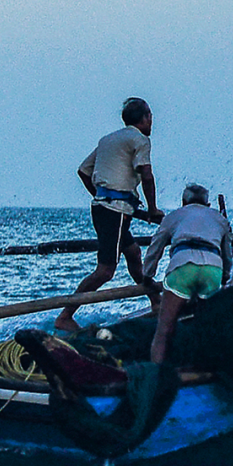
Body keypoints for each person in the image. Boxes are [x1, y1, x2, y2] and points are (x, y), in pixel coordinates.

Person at [56, 97, 162, 333]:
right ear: (144, 118)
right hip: (115, 212)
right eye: (151, 117)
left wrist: (102, 195)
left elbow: (83, 171)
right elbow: (147, 175)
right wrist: (153, 210)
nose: (152, 121)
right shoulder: (140, 140)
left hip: (107, 208)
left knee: (134, 254)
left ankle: (156, 301)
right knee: (105, 271)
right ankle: (65, 315)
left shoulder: (108, 139)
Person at [144, 185, 233, 363]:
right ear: (207, 204)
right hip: (212, 269)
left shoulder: (174, 216)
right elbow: (227, 254)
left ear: (184, 202)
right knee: (206, 327)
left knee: (164, 330)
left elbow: (156, 247)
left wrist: (147, 274)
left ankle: (156, 373)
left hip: (182, 266)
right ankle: (202, 370)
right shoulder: (220, 219)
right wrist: (225, 275)